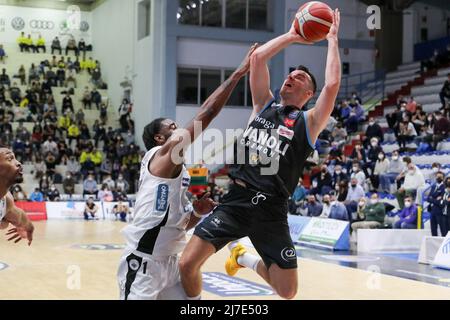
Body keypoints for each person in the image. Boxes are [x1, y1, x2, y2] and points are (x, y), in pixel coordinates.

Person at [179, 10, 341, 300]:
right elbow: (257, 58)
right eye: (291, 73)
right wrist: (293, 34)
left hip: (272, 210)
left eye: (300, 77)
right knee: (186, 263)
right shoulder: (263, 105)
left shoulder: (310, 121)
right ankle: (196, 305)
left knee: (287, 291)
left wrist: (332, 39)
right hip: (236, 201)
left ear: (309, 94)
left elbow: (332, 86)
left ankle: (243, 258)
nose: (292, 76)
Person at [117, 44, 258, 300]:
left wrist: (196, 212)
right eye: (173, 126)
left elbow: (180, 224)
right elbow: (208, 112)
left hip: (169, 264)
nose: (180, 129)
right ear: (161, 138)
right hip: (143, 264)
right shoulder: (160, 156)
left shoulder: (180, 173)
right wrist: (237, 74)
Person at [0, 147, 34, 245]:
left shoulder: (6, 201)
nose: (18, 163)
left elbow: (20, 217)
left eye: (15, 158)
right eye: (10, 159)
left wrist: (29, 228)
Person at [427, 172, 447, 237]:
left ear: (443, 178)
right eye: (437, 176)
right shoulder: (433, 186)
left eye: (440, 177)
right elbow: (428, 198)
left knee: (443, 230)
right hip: (432, 211)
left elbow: (441, 201)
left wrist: (432, 199)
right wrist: (435, 199)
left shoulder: (444, 187)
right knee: (433, 229)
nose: (438, 178)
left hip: (440, 211)